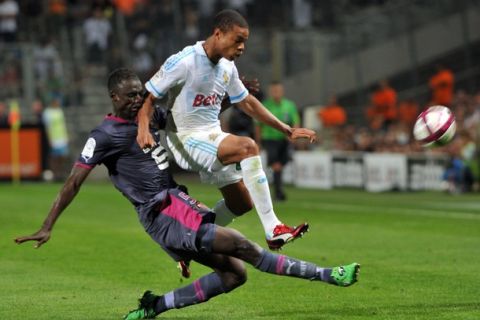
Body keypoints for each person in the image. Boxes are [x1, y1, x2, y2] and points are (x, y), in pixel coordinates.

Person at [14, 68, 360, 320]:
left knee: (234, 275)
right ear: (114, 98)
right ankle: (327, 275)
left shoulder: (148, 119)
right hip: (162, 210)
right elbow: (73, 182)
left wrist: (232, 97)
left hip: (175, 207)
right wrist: (48, 225)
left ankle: (155, 306)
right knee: (243, 246)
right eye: (130, 95)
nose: (138, 100)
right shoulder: (103, 135)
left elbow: (190, 119)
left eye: (141, 93)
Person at [137, 9, 316, 250]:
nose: (242, 47)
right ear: (218, 33)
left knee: (241, 203)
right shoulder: (185, 61)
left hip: (212, 137)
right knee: (247, 147)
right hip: (184, 139)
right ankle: (273, 228)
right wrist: (143, 129)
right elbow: (148, 97)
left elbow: (247, 101)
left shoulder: (227, 67)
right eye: (238, 39)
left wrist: (286, 129)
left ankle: (188, 241)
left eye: (245, 41)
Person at [257, 81, 300, 201]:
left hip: (284, 140)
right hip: (269, 139)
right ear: (271, 92)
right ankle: (278, 192)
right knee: (276, 165)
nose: (276, 93)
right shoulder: (265, 105)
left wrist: (293, 135)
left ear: (282, 91)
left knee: (281, 165)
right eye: (274, 90)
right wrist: (259, 141)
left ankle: (277, 190)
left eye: (278, 90)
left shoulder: (289, 105)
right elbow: (258, 124)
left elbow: (295, 121)